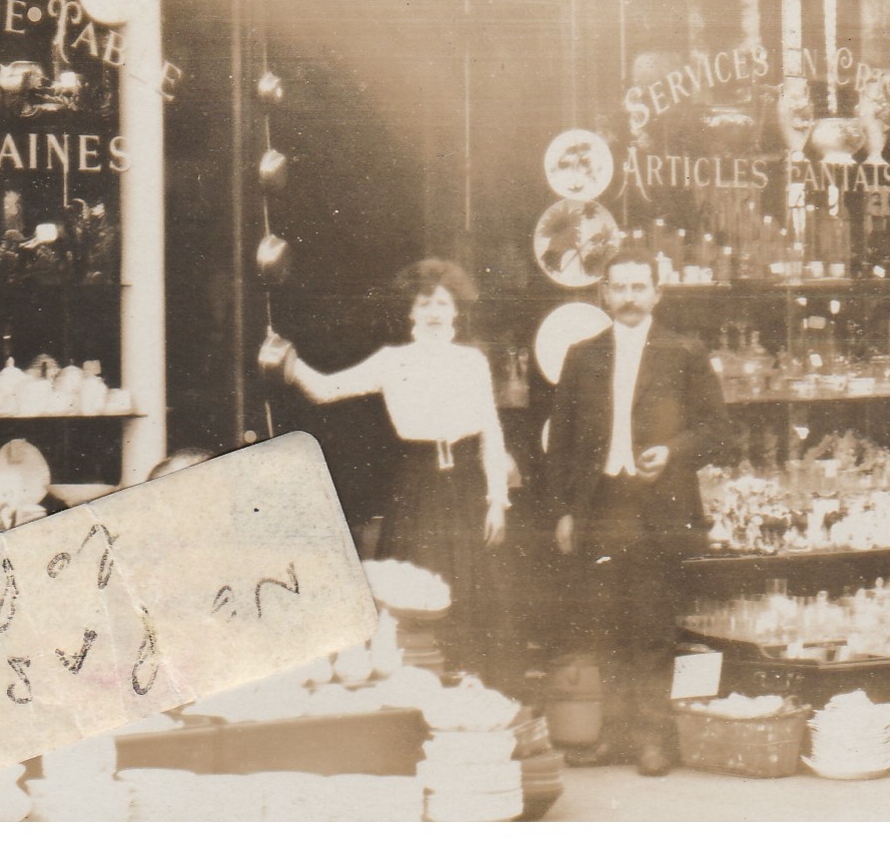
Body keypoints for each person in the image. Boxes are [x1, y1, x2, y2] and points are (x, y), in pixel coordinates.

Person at [259, 259, 512, 675]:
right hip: (419, 486)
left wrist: (497, 500)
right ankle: (415, 689)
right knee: (416, 588)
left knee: (469, 591)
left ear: (456, 311)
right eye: (425, 302)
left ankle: (466, 687)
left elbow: (491, 432)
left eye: (443, 303)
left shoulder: (472, 362)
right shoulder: (392, 361)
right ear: (411, 311)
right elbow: (325, 390)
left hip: (467, 487)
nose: (434, 312)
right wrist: (287, 358)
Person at [546, 247, 729, 775]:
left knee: (650, 625)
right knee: (603, 621)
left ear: (656, 293)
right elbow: (560, 444)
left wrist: (672, 451)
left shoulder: (684, 352)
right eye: (618, 288)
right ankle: (613, 735)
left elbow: (719, 429)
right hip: (601, 507)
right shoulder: (582, 356)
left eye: (638, 287)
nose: (628, 298)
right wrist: (563, 512)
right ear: (603, 293)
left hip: (659, 510)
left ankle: (652, 739)